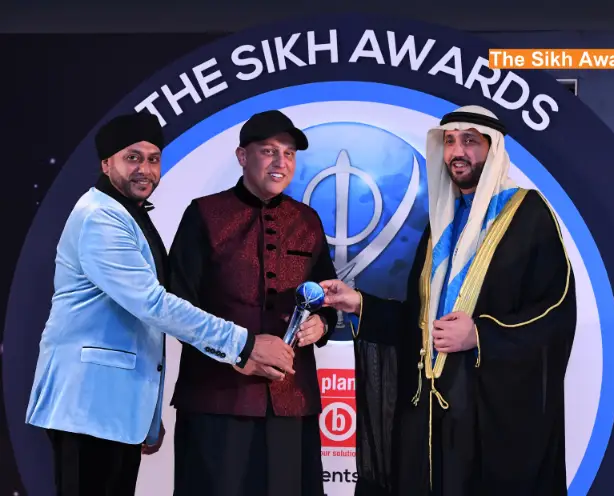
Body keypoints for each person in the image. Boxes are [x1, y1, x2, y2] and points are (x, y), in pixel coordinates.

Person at [25, 112, 294, 496]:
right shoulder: (100, 218)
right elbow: (153, 304)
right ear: (106, 164)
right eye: (132, 158)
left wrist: (147, 416)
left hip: (113, 411)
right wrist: (245, 344)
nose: (146, 170)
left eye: (153, 159)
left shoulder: (126, 214)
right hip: (87, 407)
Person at [321, 105, 577, 496]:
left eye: (470, 141)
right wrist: (359, 304)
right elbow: (418, 321)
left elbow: (554, 312)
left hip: (488, 412)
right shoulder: (441, 223)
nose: (458, 152)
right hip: (427, 412)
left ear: (493, 150)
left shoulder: (529, 215)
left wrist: (480, 335)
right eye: (450, 141)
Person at [168, 109, 338, 496]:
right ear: (242, 156)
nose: (281, 162)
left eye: (289, 153)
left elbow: (326, 296)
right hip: (216, 398)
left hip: (292, 401)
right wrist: (236, 351)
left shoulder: (308, 220)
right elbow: (177, 304)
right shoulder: (204, 214)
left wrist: (323, 324)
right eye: (269, 151)